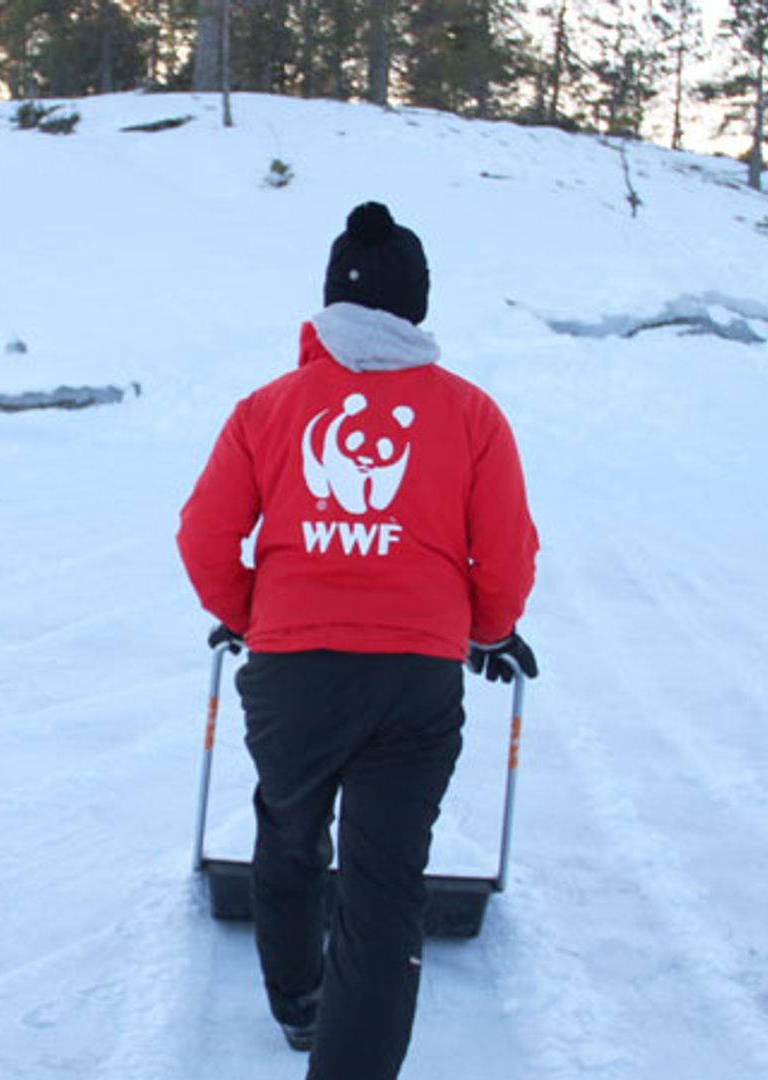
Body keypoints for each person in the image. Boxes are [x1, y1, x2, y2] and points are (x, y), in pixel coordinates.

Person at [177, 201, 539, 1080]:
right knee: (384, 893)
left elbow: (202, 533)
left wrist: (250, 611)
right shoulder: (472, 414)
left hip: (295, 673)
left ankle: (299, 1003)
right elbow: (508, 550)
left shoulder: (267, 407)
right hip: (414, 680)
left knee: (290, 830)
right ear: (416, 305)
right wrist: (487, 628)